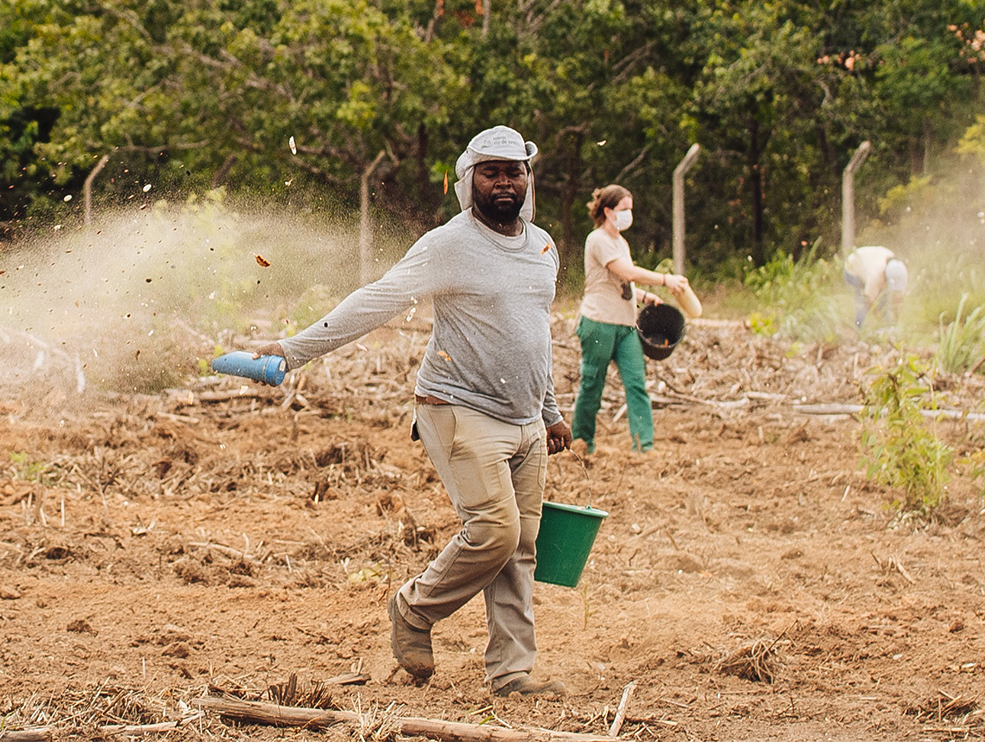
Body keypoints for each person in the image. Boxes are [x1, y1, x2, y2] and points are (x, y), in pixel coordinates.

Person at [254, 126, 572, 697]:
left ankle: (511, 672)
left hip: (524, 417)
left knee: (520, 549)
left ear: (528, 177)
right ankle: (414, 609)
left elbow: (534, 337)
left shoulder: (544, 246)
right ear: (467, 178)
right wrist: (293, 349)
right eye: (491, 171)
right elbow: (377, 300)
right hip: (459, 406)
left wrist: (548, 411)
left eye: (514, 171)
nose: (504, 181)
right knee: (495, 532)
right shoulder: (448, 244)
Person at [570, 185, 687, 456]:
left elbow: (623, 282)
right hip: (599, 322)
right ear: (608, 211)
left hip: (625, 325)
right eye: (624, 209)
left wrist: (645, 296)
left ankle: (644, 445)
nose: (628, 214)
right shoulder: (597, 240)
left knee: (636, 383)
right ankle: (582, 440)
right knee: (592, 382)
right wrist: (665, 280)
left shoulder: (621, 242)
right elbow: (625, 271)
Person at [843, 245, 907, 329]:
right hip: (852, 268)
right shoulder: (876, 274)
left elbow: (898, 298)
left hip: (868, 264)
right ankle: (858, 329)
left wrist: (897, 320)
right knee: (862, 302)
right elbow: (868, 300)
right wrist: (878, 317)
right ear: (885, 275)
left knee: (884, 301)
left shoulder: (900, 270)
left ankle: (888, 327)